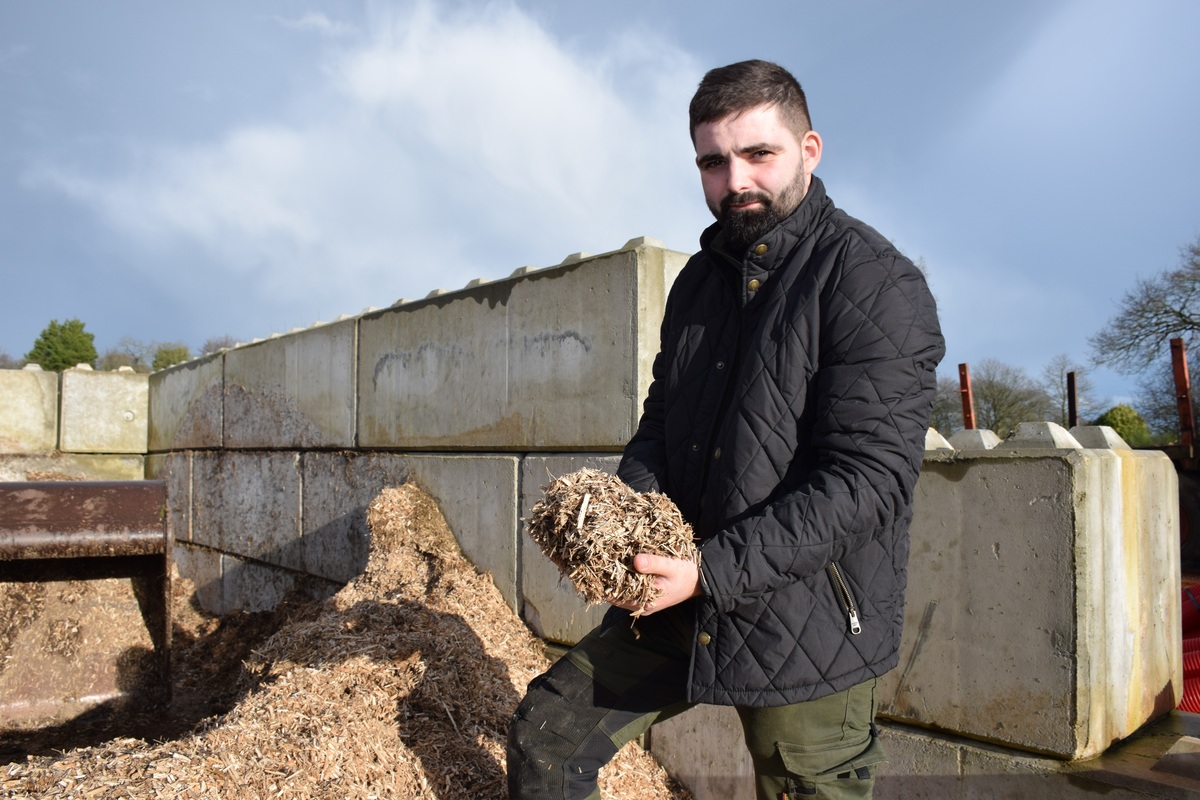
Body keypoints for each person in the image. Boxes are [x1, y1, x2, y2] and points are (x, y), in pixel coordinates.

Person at [508, 59, 945, 800]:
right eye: (714, 161)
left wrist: (710, 571)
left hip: (807, 614)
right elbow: (661, 425)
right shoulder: (699, 281)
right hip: (680, 590)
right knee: (546, 735)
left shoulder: (874, 281)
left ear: (809, 151)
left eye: (758, 154)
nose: (735, 179)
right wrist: (634, 530)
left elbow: (868, 480)